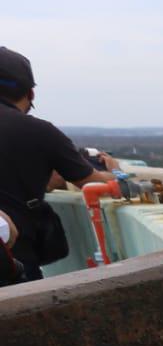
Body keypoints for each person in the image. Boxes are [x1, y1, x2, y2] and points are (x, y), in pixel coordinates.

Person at [0, 47, 116, 283]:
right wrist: (115, 171)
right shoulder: (39, 132)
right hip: (12, 263)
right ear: (30, 94)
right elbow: (92, 181)